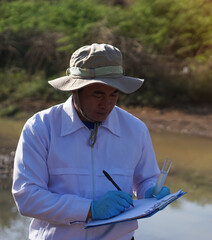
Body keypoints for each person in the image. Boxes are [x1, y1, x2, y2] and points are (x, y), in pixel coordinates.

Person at [12, 43, 170, 240]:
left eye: (114, 94)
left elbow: (146, 179)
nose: (107, 104)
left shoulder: (135, 129)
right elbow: (27, 197)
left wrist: (151, 191)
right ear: (75, 90)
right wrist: (89, 209)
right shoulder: (41, 127)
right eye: (98, 94)